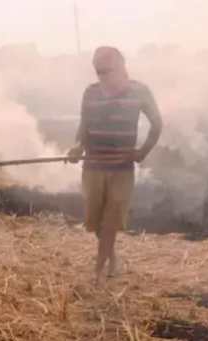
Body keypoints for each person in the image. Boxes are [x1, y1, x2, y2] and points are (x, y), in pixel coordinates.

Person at [68, 46, 162, 286]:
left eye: (106, 70)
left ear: (121, 66)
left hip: (121, 169)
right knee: (98, 223)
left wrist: (142, 152)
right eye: (98, 71)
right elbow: (84, 126)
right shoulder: (90, 93)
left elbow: (157, 124)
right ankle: (111, 255)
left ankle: (98, 271)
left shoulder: (140, 92)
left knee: (110, 221)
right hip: (93, 167)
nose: (102, 76)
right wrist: (78, 147)